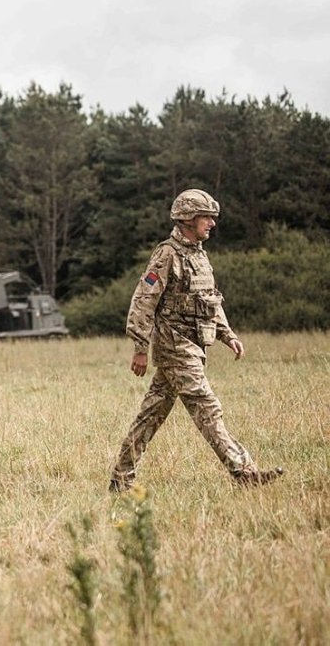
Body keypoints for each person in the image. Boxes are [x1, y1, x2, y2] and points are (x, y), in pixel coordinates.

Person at [109, 190, 283, 492]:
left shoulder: (199, 256)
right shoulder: (167, 254)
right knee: (207, 405)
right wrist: (140, 348)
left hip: (194, 346)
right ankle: (244, 472)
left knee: (150, 415)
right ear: (188, 218)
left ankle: (121, 479)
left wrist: (227, 334)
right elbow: (143, 301)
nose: (212, 223)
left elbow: (210, 301)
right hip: (175, 348)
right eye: (206, 217)